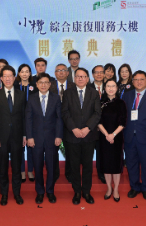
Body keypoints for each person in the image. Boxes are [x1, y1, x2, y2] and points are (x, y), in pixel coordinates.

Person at [62, 68, 101, 205]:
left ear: (87, 78)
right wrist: (74, 128)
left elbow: (97, 113)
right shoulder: (68, 93)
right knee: (74, 166)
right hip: (72, 136)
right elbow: (65, 113)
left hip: (88, 136)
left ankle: (86, 191)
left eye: (83, 76)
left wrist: (87, 128)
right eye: (78, 76)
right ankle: (77, 192)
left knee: (87, 166)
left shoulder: (94, 93)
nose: (80, 78)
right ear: (74, 78)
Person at [0, 65, 27, 206]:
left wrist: (24, 135)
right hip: (1, 138)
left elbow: (24, 117)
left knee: (17, 168)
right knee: (2, 168)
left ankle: (17, 193)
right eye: (5, 76)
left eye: (10, 76)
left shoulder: (21, 94)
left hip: (17, 137)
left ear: (14, 77)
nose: (8, 78)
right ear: (1, 78)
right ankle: (4, 194)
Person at [122, 70, 146, 200]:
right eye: (136, 80)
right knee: (131, 163)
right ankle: (134, 187)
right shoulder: (126, 96)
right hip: (129, 137)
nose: (139, 82)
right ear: (132, 82)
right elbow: (123, 117)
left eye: (141, 79)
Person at [26, 73, 63, 204]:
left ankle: (50, 191)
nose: (43, 85)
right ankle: (40, 192)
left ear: (50, 84)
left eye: (46, 82)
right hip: (35, 139)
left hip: (52, 138)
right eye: (40, 82)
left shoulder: (56, 98)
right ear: (36, 84)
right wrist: (29, 137)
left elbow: (59, 119)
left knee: (51, 165)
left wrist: (59, 136)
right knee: (38, 165)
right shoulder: (31, 98)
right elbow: (28, 119)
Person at [97, 79, 127, 202]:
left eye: (113, 86)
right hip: (103, 138)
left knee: (116, 164)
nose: (110, 88)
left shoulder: (121, 103)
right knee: (106, 164)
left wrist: (113, 135)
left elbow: (123, 122)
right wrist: (107, 135)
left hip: (117, 138)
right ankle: (109, 188)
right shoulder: (100, 102)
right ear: (104, 88)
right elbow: (98, 121)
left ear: (117, 88)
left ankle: (116, 189)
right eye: (108, 86)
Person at [49, 63, 75, 183]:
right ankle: (54, 174)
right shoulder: (49, 86)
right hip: (52, 123)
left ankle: (70, 173)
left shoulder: (73, 86)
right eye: (58, 70)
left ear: (68, 73)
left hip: (70, 123)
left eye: (63, 70)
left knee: (70, 150)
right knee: (53, 150)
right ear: (55, 73)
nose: (61, 72)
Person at [14, 64, 38, 183]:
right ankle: (22, 170)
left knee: (31, 146)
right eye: (22, 71)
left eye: (27, 71)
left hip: (32, 120)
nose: (24, 74)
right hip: (18, 119)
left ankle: (30, 170)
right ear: (18, 73)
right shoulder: (14, 86)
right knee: (20, 147)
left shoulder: (35, 86)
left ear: (30, 73)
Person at [90, 65, 106, 184]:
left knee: (102, 152)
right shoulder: (87, 87)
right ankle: (87, 173)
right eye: (97, 72)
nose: (99, 74)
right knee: (88, 152)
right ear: (93, 74)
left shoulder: (110, 87)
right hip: (90, 126)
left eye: (101, 72)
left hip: (105, 127)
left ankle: (101, 173)